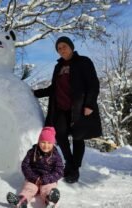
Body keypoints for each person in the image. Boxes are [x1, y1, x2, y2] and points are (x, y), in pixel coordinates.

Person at [34, 36, 102, 183]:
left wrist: (89, 104)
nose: (61, 50)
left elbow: (93, 84)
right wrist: (35, 93)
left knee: (78, 137)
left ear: (71, 46)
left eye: (64, 46)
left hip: (79, 108)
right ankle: (69, 163)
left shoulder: (83, 62)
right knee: (59, 135)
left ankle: (74, 169)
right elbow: (54, 88)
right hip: (61, 108)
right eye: (59, 48)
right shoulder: (58, 67)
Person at [6, 127, 64, 208]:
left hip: (48, 179)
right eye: (43, 142)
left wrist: (48, 178)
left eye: (49, 143)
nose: (46, 145)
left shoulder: (55, 155)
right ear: (39, 141)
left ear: (53, 143)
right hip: (34, 178)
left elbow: (59, 170)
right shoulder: (32, 152)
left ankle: (50, 201)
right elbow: (25, 165)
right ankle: (21, 201)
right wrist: (33, 177)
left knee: (48, 189)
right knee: (29, 188)